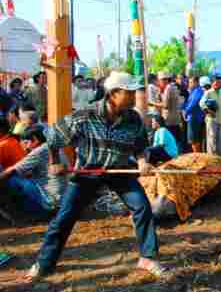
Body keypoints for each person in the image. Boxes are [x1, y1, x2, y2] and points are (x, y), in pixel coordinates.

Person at [23, 71, 167, 281]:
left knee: (142, 207)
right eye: (129, 93)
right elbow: (53, 137)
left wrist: (143, 161)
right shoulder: (85, 115)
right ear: (113, 94)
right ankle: (44, 263)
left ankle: (148, 257)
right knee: (65, 217)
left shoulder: (133, 118)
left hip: (119, 169)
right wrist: (54, 162)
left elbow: (141, 146)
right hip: (89, 171)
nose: (133, 97)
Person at [0, 125, 65, 218]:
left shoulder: (39, 151)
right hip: (63, 201)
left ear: (35, 140)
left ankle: (18, 213)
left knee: (12, 180)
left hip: (51, 203)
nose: (25, 147)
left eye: (26, 142)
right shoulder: (54, 148)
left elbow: (12, 171)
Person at [200, 75, 221, 156]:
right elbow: (201, 103)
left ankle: (218, 160)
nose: (217, 84)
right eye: (215, 82)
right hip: (212, 120)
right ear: (212, 83)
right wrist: (209, 111)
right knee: (212, 141)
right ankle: (211, 160)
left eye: (219, 83)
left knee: (219, 141)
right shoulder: (208, 93)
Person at [183, 76, 205, 153]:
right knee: (195, 140)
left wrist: (185, 112)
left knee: (194, 140)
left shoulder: (198, 91)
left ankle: (197, 157)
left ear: (196, 83)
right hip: (194, 118)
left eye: (191, 82)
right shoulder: (194, 91)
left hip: (194, 118)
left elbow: (193, 104)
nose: (189, 84)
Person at [161, 74, 183, 151]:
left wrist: (153, 103)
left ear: (165, 80)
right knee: (177, 139)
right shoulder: (175, 87)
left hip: (169, 120)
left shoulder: (168, 88)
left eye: (161, 80)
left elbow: (165, 105)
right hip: (176, 118)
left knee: (170, 140)